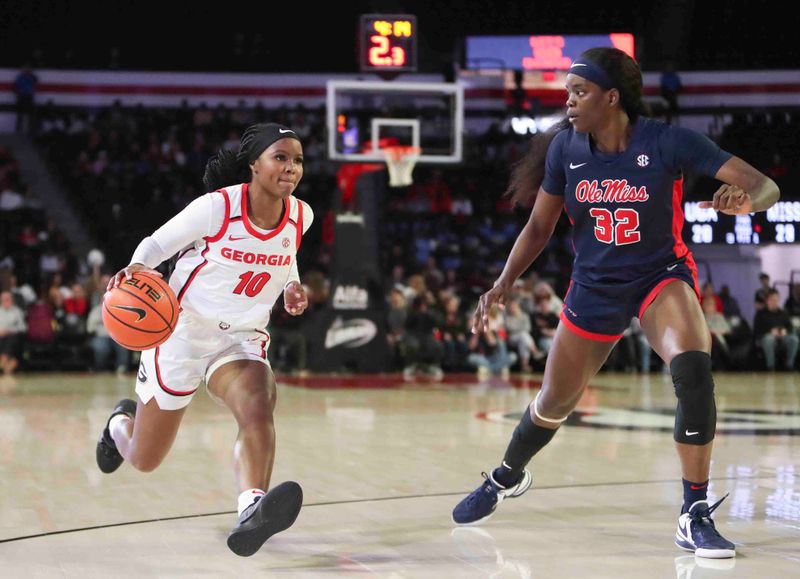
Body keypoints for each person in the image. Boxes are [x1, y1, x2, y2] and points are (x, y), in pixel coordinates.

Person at [451, 48, 780, 561]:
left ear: (611, 97)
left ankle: (693, 512)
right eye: (568, 93)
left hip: (659, 277)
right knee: (553, 402)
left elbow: (765, 187)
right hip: (595, 286)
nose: (569, 101)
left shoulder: (667, 141)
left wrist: (746, 200)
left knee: (693, 367)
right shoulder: (565, 150)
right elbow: (540, 226)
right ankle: (506, 475)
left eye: (579, 92)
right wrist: (503, 281)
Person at [94, 123, 314, 557]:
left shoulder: (301, 215)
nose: (291, 168)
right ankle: (119, 424)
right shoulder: (217, 208)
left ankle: (251, 507)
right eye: (281, 158)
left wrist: (293, 286)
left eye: (298, 160)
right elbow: (155, 245)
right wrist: (137, 270)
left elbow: (286, 260)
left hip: (241, 339)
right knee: (144, 458)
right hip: (181, 334)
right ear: (255, 165)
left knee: (257, 405)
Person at [754, 289, 798, 371]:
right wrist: (770, 331)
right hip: (766, 337)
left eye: (777, 300)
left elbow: (790, 327)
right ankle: (770, 366)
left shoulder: (783, 313)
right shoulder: (760, 314)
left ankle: (789, 365)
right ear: (767, 301)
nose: (775, 302)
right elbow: (757, 331)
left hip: (782, 336)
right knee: (769, 339)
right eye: (772, 300)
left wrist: (785, 331)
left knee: (794, 339)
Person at [0, 291, 26, 375]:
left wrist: (9, 330)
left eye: (8, 299)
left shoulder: (17, 311)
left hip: (13, 338)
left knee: (12, 338)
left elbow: (23, 327)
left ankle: (4, 359)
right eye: (4, 299)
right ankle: (8, 364)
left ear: (12, 300)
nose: (6, 301)